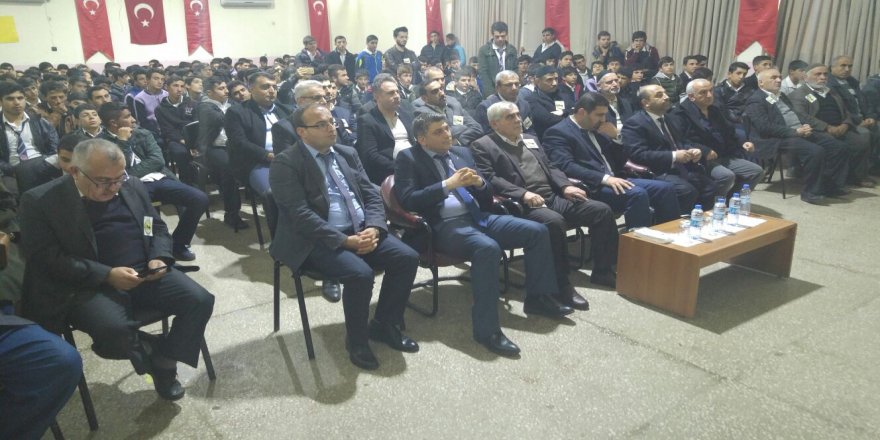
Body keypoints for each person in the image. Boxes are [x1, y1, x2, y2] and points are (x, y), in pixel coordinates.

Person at [19, 138, 214, 400]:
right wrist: (107, 275)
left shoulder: (131, 185)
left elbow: (154, 226)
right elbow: (47, 259)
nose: (113, 188)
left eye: (118, 179)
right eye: (103, 181)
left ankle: (164, 363)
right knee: (114, 333)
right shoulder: (41, 200)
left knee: (200, 300)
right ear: (75, 171)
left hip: (144, 271)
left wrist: (158, 256)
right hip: (89, 284)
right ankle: (154, 351)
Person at [395, 113, 573, 357]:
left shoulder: (460, 152)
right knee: (487, 248)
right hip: (444, 225)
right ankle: (487, 330)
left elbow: (487, 194)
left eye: (447, 128)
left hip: (479, 216)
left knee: (537, 231)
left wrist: (479, 184)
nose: (447, 134)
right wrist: (448, 185)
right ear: (422, 139)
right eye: (438, 132)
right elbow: (408, 199)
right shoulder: (408, 158)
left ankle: (538, 298)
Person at [269, 104, 419, 370]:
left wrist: (375, 226)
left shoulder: (346, 153)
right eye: (322, 125)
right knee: (360, 274)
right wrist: (344, 241)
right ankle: (357, 341)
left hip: (360, 228)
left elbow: (371, 194)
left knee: (407, 257)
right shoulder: (286, 162)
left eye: (332, 122)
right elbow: (299, 215)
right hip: (315, 239)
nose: (332, 128)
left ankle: (384, 324)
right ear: (302, 132)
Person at [473, 100, 619, 292]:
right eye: (510, 117)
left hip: (552, 196)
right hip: (522, 203)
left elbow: (550, 166)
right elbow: (491, 179)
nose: (517, 119)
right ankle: (561, 283)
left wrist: (565, 186)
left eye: (518, 115)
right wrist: (523, 193)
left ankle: (603, 270)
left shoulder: (530, 138)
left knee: (601, 210)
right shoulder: (483, 145)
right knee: (554, 222)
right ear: (495, 124)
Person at [544, 92, 679, 229]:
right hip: (592, 186)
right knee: (637, 194)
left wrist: (616, 138)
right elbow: (566, 166)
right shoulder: (558, 132)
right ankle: (638, 240)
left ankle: (669, 234)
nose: (603, 119)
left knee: (665, 189)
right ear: (582, 112)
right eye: (599, 115)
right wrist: (605, 179)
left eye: (605, 115)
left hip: (616, 179)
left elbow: (621, 162)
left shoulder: (598, 128)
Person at [99, 102, 208, 261]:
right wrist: (123, 142)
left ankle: (178, 243)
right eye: (127, 117)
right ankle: (151, 247)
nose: (133, 119)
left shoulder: (142, 133)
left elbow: (157, 160)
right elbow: (117, 169)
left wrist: (129, 173)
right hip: (132, 186)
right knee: (147, 214)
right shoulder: (102, 143)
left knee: (199, 199)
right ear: (114, 123)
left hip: (159, 178)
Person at [744, 68, 850, 203]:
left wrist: (805, 125)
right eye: (773, 78)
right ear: (761, 83)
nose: (778, 80)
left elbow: (796, 114)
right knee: (815, 151)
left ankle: (830, 186)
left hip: (797, 131)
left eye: (779, 77)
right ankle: (810, 192)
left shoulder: (781, 95)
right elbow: (764, 127)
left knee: (838, 147)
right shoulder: (756, 100)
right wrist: (795, 132)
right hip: (775, 138)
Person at [622, 84, 717, 213]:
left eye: (665, 93)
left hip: (680, 166)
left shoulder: (669, 118)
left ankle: (699, 220)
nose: (666, 97)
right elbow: (638, 154)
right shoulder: (635, 123)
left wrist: (693, 150)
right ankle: (676, 221)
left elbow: (681, 142)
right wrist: (673, 156)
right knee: (687, 191)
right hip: (656, 170)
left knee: (709, 186)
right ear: (646, 103)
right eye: (659, 95)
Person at [672, 79, 766, 196]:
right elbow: (680, 140)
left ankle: (732, 200)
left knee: (756, 171)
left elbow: (729, 131)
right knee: (726, 176)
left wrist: (742, 143)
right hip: (700, 159)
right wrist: (705, 151)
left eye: (711, 90)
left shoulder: (714, 110)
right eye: (703, 92)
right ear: (691, 96)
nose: (709, 95)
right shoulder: (679, 114)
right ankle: (712, 203)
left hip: (723, 155)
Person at [788, 63, 872, 187]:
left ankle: (855, 176)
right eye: (818, 74)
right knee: (838, 147)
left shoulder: (831, 92)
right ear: (805, 77)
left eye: (825, 74)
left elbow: (845, 111)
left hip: (840, 127)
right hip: (818, 130)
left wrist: (845, 124)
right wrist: (827, 127)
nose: (823, 77)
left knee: (860, 141)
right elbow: (802, 116)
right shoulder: (799, 93)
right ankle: (831, 183)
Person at [225, 72, 291, 197]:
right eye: (265, 87)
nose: (271, 91)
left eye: (274, 87)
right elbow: (239, 143)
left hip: (289, 159)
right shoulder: (237, 112)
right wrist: (268, 155)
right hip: (257, 162)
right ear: (251, 89)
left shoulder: (286, 110)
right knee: (274, 193)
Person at [196, 77, 247, 229]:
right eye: (221, 88)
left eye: (226, 88)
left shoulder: (231, 103)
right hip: (215, 147)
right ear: (209, 92)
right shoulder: (204, 107)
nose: (226, 91)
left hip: (235, 146)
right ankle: (231, 214)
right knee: (229, 169)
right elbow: (222, 119)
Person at [0, 82, 60, 195]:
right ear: (1, 101)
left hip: (42, 165)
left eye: (20, 98)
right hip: (12, 170)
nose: (17, 102)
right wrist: (12, 170)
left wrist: (45, 163)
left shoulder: (39, 121)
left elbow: (54, 148)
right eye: (10, 99)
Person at [356, 74, 415, 184]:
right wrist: (400, 167)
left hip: (414, 166)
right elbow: (370, 156)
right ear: (377, 96)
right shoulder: (367, 121)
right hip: (390, 173)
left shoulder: (406, 115)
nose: (397, 96)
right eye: (391, 93)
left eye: (397, 92)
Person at [412, 77, 482, 146]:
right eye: (435, 91)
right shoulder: (422, 113)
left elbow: (477, 128)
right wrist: (463, 127)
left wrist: (459, 141)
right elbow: (441, 136)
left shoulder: (454, 105)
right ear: (425, 98)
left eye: (441, 88)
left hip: (465, 146)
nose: (442, 93)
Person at [474, 70, 534, 135]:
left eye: (516, 84)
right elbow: (487, 135)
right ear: (497, 87)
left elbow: (529, 129)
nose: (514, 88)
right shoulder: (486, 107)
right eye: (509, 85)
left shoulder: (524, 105)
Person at [527, 65, 571, 139]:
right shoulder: (532, 99)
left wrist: (563, 112)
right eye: (549, 80)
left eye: (556, 79)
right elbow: (548, 120)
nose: (554, 83)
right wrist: (570, 118)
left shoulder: (563, 93)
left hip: (569, 135)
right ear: (537, 81)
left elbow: (574, 110)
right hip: (548, 138)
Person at [477, 21, 518, 96]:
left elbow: (515, 70)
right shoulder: (484, 50)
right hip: (492, 88)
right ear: (492, 35)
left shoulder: (512, 50)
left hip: (509, 88)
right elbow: (483, 73)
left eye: (503, 36)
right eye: (497, 36)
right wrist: (490, 93)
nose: (500, 39)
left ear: (506, 34)